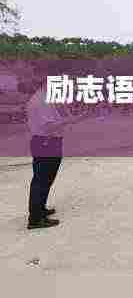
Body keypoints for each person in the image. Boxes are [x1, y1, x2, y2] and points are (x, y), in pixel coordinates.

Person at [26, 78, 90, 230]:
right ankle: (35, 219)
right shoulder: (42, 101)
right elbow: (49, 126)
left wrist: (69, 115)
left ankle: (40, 209)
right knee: (41, 180)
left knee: (46, 179)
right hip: (46, 142)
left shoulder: (44, 98)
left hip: (47, 142)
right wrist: (71, 120)